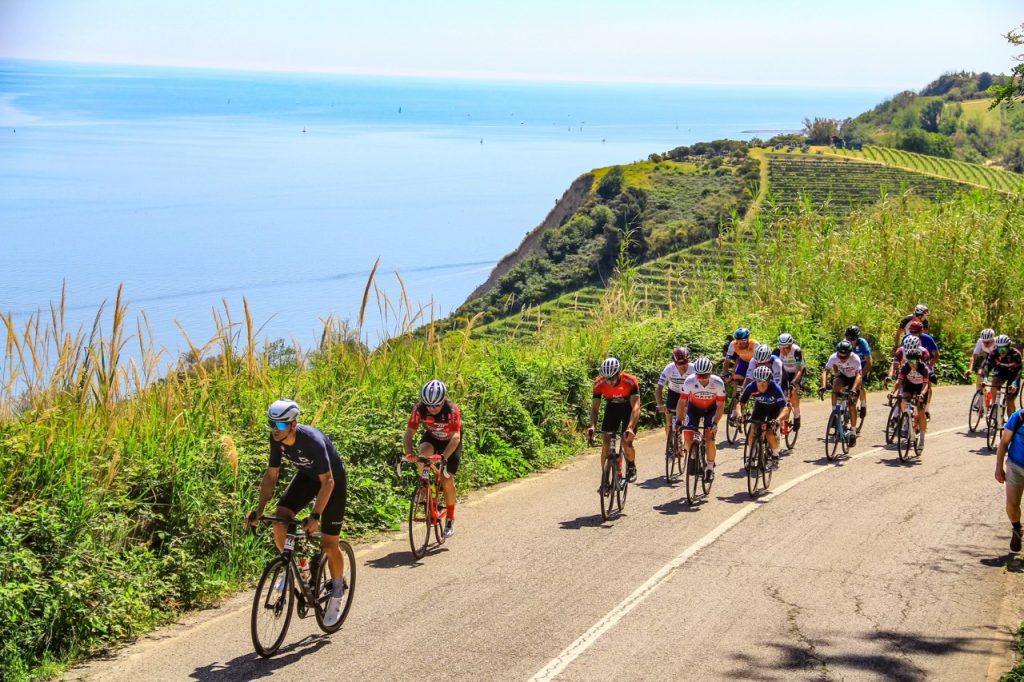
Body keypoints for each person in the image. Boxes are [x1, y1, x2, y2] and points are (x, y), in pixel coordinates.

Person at [246, 399, 349, 626]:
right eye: (272, 423)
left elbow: (328, 482)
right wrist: (259, 511)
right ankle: (295, 567)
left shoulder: (311, 440)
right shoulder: (276, 439)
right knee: (280, 518)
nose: (275, 429)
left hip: (332, 482)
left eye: (281, 425)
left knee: (330, 544)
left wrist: (315, 516)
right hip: (307, 478)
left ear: (293, 424)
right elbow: (271, 475)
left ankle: (338, 590)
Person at [404, 379, 462, 538]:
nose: (432, 408)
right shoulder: (419, 409)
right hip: (432, 437)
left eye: (436, 405)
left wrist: (443, 457)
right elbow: (409, 433)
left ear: (443, 400)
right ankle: (423, 486)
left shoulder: (452, 410)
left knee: (446, 479)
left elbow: (456, 437)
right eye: (428, 405)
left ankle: (450, 518)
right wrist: (409, 453)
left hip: (450, 442)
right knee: (422, 454)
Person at [588, 357, 641, 484]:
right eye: (606, 378)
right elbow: (595, 409)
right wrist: (592, 426)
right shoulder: (599, 383)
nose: (609, 381)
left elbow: (636, 407)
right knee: (606, 443)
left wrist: (630, 427)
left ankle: (631, 465)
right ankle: (605, 477)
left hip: (628, 409)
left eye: (612, 378)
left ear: (619, 373)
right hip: (612, 408)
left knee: (625, 442)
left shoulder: (630, 381)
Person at [676, 357, 726, 483]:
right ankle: (693, 455)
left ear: (711, 373)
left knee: (710, 438)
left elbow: (720, 406)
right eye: (699, 375)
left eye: (706, 375)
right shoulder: (689, 382)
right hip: (694, 409)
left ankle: (709, 467)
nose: (703, 378)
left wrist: (715, 423)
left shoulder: (718, 383)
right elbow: (682, 402)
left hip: (711, 410)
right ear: (695, 373)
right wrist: (679, 420)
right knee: (687, 434)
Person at [738, 365, 791, 468]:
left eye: (764, 382)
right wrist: (740, 415)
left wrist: (778, 420)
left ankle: (775, 455)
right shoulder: (751, 386)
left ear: (769, 381)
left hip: (774, 408)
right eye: (759, 382)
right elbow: (740, 403)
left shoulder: (775, 388)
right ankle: (751, 457)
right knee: (753, 428)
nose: (761, 385)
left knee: (770, 433)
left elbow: (784, 408)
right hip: (760, 407)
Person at [821, 340, 864, 440]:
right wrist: (823, 386)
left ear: (849, 354)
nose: (842, 359)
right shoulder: (834, 357)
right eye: (840, 356)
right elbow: (825, 372)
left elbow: (859, 375)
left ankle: (853, 431)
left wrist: (853, 389)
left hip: (854, 378)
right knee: (835, 386)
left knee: (851, 404)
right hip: (843, 376)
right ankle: (835, 414)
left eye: (844, 357)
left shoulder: (855, 359)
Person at [995, 406, 1024, 553]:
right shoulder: (1019, 417)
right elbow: (1004, 442)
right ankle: (1017, 528)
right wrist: (999, 467)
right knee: (1012, 506)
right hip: (1015, 466)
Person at [892, 347, 932, 449]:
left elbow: (925, 385)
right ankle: (906, 415)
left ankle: (922, 438)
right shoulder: (906, 367)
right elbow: (899, 382)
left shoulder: (924, 368)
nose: (911, 364)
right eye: (909, 361)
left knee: (920, 411)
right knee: (902, 398)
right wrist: (894, 392)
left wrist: (922, 394)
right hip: (910, 384)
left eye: (914, 361)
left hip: (921, 387)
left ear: (918, 360)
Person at [655, 347, 693, 439]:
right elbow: (659, 386)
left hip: (688, 394)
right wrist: (660, 404)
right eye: (679, 363)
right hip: (674, 393)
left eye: (684, 362)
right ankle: (670, 445)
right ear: (675, 363)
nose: (682, 365)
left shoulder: (694, 369)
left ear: (689, 360)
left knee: (686, 417)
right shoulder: (669, 368)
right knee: (669, 419)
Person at [983, 335, 1022, 415]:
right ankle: (994, 406)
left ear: (1008, 346)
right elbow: (987, 366)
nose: (1001, 351)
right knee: (994, 384)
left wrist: (1014, 383)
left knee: (1010, 400)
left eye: (1003, 348)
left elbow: (1019, 370)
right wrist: (985, 378)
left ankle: (1011, 424)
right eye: (999, 348)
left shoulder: (1016, 354)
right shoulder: (994, 353)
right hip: (1001, 372)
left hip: (1013, 374)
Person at [774, 333, 806, 432]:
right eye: (781, 348)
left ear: (791, 345)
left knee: (793, 391)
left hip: (797, 372)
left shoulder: (797, 351)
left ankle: (797, 415)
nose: (783, 351)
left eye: (786, 348)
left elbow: (799, 370)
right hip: (785, 373)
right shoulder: (776, 352)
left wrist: (793, 383)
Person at [845, 326, 873, 420]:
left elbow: (869, 362)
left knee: (860, 386)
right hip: (852, 366)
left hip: (863, 366)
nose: (850, 341)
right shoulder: (845, 344)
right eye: (848, 339)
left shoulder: (862, 343)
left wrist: (861, 376)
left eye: (852, 339)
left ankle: (863, 404)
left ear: (857, 338)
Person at [724, 328, 758, 395]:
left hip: (754, 362)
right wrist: (726, 374)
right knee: (736, 380)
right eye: (738, 342)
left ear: (748, 339)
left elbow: (760, 362)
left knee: (748, 381)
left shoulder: (755, 344)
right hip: (743, 361)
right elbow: (727, 361)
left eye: (743, 342)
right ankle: (735, 399)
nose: (740, 344)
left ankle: (744, 396)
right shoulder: (733, 344)